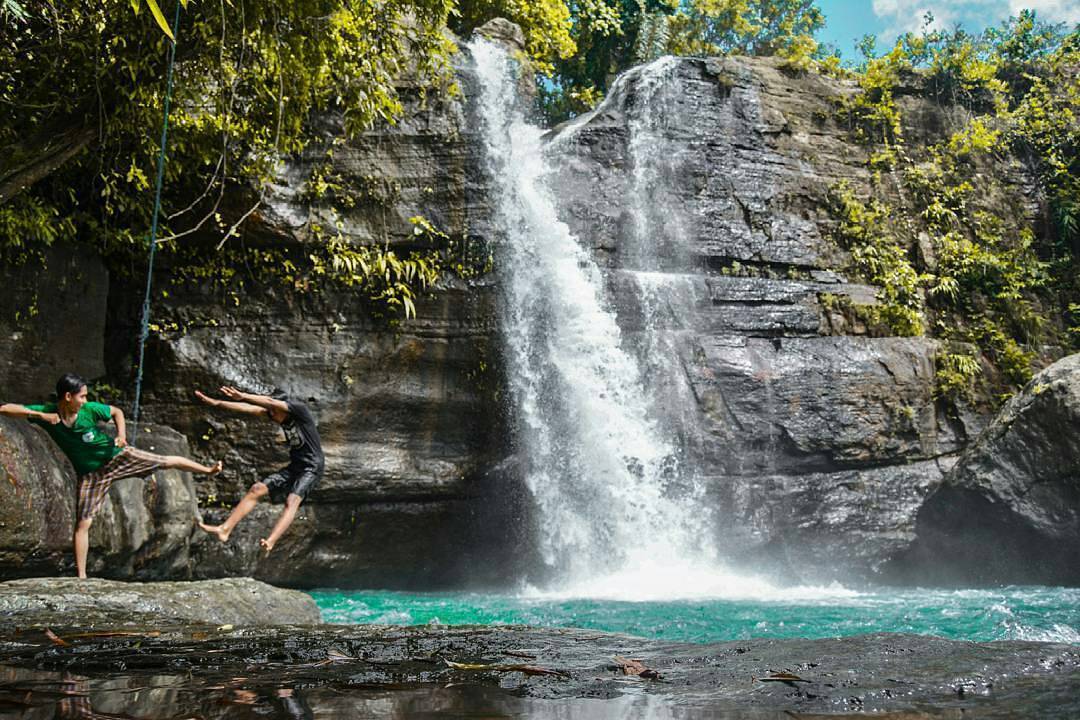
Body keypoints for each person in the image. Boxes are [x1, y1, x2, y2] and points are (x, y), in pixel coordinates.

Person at [0, 373, 223, 578]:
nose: (85, 400)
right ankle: (81, 576)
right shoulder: (48, 413)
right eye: (82, 396)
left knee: (165, 461)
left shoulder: (89, 411)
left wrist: (121, 436)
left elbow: (117, 412)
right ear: (68, 396)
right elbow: (6, 408)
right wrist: (38, 414)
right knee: (83, 523)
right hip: (91, 475)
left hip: (117, 457)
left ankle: (207, 470)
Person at [195, 385, 323, 555]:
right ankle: (224, 529)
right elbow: (249, 409)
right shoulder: (277, 415)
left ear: (282, 406)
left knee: (292, 500)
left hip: (312, 466)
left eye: (272, 410)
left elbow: (268, 402)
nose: (270, 414)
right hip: (296, 465)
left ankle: (270, 542)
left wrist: (242, 395)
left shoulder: (300, 412)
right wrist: (217, 403)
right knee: (257, 489)